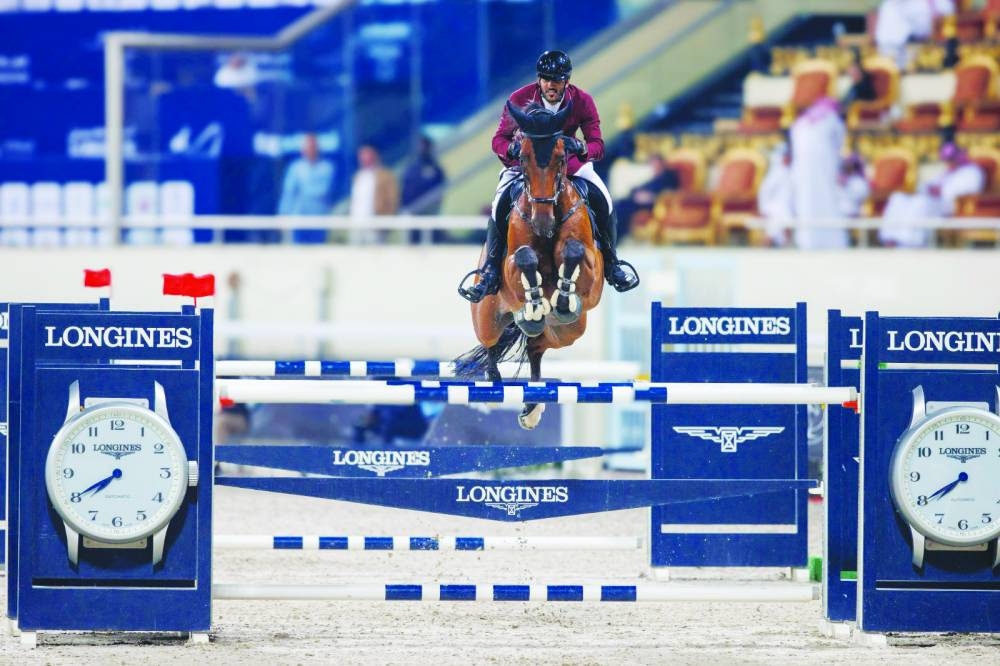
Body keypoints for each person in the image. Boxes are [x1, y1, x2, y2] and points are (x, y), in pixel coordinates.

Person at [458, 49, 639, 303]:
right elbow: (499, 139)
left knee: (604, 199)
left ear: (567, 80)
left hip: (570, 166)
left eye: (556, 80)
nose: (550, 85)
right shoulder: (520, 99)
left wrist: (582, 148)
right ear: (539, 79)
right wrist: (510, 151)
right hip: (526, 166)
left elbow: (597, 144)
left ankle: (611, 263)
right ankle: (489, 270)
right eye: (545, 79)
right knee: (499, 203)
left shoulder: (582, 101)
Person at [879, 142, 985, 248]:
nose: (948, 163)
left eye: (950, 160)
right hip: (933, 200)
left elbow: (967, 191)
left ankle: (911, 241)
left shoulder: (972, 171)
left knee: (920, 203)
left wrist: (940, 191)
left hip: (951, 205)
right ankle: (890, 237)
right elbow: (931, 184)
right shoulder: (947, 171)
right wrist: (927, 189)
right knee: (898, 198)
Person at [789, 96, 849, 249]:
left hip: (802, 170)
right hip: (825, 166)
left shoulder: (800, 123)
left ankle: (807, 241)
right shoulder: (832, 119)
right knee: (828, 200)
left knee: (806, 203)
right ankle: (833, 242)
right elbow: (839, 147)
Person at [876, 0, 955, 69]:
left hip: (937, 47)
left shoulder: (941, 3)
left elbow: (948, 13)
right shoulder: (894, 6)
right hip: (895, 46)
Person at [349, 144, 399, 244]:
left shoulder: (386, 176)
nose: (364, 159)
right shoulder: (358, 176)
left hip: (375, 226)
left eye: (367, 155)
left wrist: (384, 222)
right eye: (362, 156)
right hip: (356, 225)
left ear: (375, 156)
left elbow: (392, 201)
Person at [757, 142, 795, 247]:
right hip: (775, 209)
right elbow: (764, 191)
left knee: (787, 231)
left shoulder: (790, 171)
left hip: (789, 207)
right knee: (772, 232)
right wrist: (763, 209)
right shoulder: (777, 172)